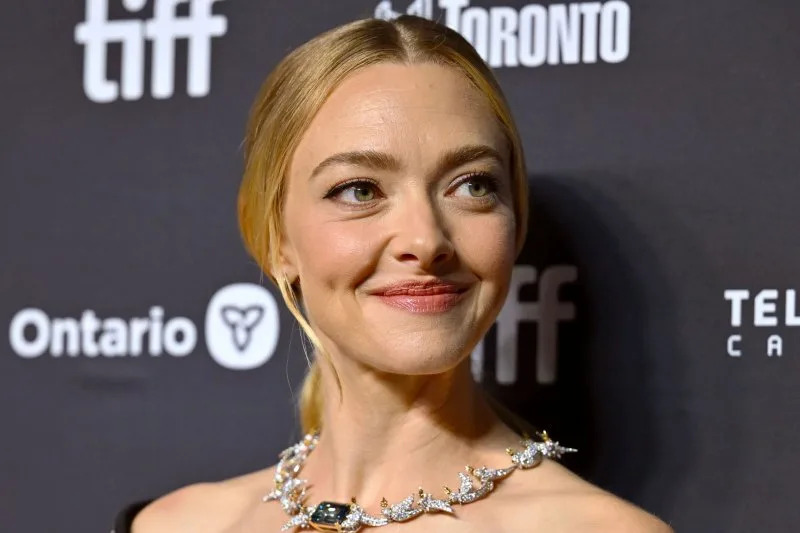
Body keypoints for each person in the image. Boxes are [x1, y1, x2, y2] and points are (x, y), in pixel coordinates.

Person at [126, 14, 673, 533]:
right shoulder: (173, 525)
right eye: (360, 190)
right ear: (277, 241)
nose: (426, 240)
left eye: (473, 185)